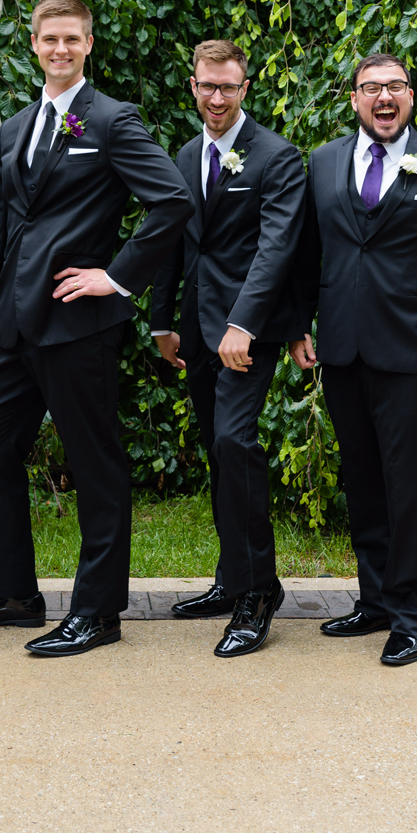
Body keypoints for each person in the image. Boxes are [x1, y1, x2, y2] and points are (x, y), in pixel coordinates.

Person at [0, 0, 192, 657]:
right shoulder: (16, 128)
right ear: (34, 45)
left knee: (96, 466)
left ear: (88, 45)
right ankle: (12, 595)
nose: (60, 50)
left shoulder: (112, 120)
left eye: (72, 40)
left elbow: (171, 201)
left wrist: (114, 278)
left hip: (79, 325)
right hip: (12, 326)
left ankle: (98, 613)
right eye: (49, 40)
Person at [289, 51, 417, 666]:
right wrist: (299, 322)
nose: (384, 97)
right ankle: (375, 599)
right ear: (353, 99)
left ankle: (411, 614)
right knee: (363, 480)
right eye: (371, 87)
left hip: (414, 353)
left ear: (411, 97)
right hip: (343, 349)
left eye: (396, 87)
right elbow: (308, 252)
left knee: (409, 487)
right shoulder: (324, 162)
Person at [148, 39, 305, 657]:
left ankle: (259, 591)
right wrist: (162, 321)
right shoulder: (187, 155)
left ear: (245, 89)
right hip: (196, 328)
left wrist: (242, 323)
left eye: (229, 87)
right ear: (193, 86)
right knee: (219, 453)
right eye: (207, 86)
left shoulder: (276, 156)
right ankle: (229, 579)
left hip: (249, 331)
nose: (217, 98)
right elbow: (173, 239)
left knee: (235, 443)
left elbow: (275, 250)